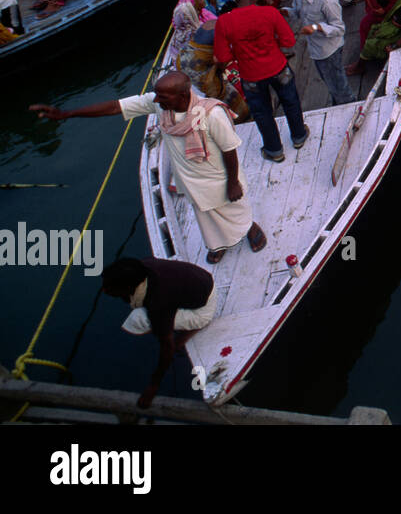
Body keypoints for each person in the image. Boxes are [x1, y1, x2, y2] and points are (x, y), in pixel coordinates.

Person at [31, 71, 266, 265]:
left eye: (163, 96)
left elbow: (229, 149)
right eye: (157, 95)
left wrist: (233, 182)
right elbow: (116, 107)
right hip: (191, 180)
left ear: (183, 94)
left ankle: (249, 228)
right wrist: (67, 114)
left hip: (220, 177)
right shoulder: (161, 106)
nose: (156, 100)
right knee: (205, 216)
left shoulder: (212, 114)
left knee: (236, 209)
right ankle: (218, 244)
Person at [214, 0, 309, 162]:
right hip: (278, 67)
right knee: (291, 101)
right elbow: (289, 40)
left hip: (250, 75)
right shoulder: (270, 12)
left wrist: (240, 53)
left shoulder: (224, 21)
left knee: (262, 113)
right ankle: (299, 137)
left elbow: (223, 57)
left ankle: (274, 150)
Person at [100, 257, 217, 408]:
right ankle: (178, 316)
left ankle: (195, 325)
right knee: (152, 312)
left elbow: (167, 348)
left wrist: (153, 385)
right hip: (201, 280)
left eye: (110, 287)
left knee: (140, 318)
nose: (104, 290)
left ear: (130, 287)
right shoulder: (143, 265)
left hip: (202, 309)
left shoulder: (158, 302)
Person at [283, 0, 352, 106]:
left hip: (329, 50)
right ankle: (339, 101)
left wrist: (315, 27)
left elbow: (339, 28)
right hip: (316, 49)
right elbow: (297, 12)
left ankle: (348, 106)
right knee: (331, 82)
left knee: (339, 84)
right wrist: (284, 12)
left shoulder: (326, 0)